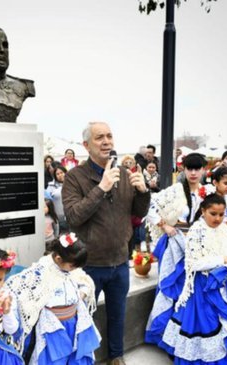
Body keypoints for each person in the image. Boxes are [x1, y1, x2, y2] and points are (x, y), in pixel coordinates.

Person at [62, 121, 150, 365]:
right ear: (86, 145)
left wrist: (143, 191)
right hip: (89, 264)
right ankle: (81, 359)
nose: (106, 141)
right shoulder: (74, 177)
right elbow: (73, 216)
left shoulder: (123, 173)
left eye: (109, 136)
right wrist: (101, 188)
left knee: (117, 315)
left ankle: (116, 356)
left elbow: (138, 214)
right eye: (99, 137)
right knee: (82, 316)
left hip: (120, 260)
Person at [160, 193, 227, 364]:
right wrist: (222, 260)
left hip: (226, 283)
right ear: (203, 211)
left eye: (221, 214)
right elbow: (193, 263)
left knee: (226, 321)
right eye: (213, 214)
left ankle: (223, 356)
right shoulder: (196, 231)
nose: (218, 218)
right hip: (203, 286)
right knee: (207, 322)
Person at [144, 153, 215, 344]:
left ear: (203, 170)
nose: (193, 172)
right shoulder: (174, 190)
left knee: (192, 291)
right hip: (175, 246)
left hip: (198, 247)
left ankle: (186, 338)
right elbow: (149, 207)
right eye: (189, 168)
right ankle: (165, 337)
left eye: (197, 168)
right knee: (172, 289)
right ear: (183, 170)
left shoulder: (208, 191)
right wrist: (164, 225)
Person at [6, 234, 101, 364]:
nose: (75, 269)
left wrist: (81, 294)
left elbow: (85, 281)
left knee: (78, 358)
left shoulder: (72, 270)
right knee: (55, 359)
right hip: (53, 327)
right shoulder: (41, 271)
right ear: (58, 258)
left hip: (75, 322)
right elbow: (17, 287)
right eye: (73, 266)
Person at [46, 165, 68, 233]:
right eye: (57, 174)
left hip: (71, 216)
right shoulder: (51, 186)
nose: (60, 175)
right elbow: (47, 200)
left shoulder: (73, 183)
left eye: (61, 172)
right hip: (59, 217)